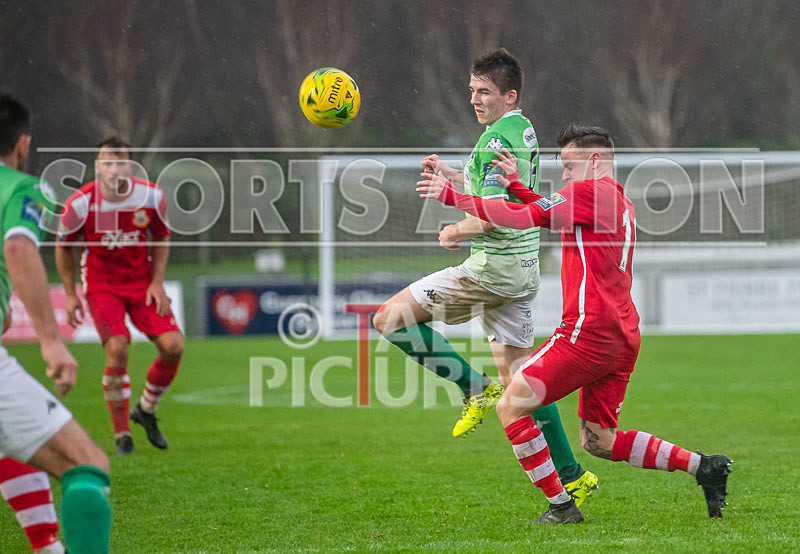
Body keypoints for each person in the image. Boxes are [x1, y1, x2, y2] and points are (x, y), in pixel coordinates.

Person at [417, 123, 732, 523]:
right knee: (600, 441)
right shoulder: (616, 199)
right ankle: (705, 467)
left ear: (595, 160)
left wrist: (453, 196)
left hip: (588, 332)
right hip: (623, 334)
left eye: (569, 165)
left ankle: (561, 506)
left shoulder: (588, 192)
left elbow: (519, 218)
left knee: (510, 405)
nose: (564, 174)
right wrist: (515, 185)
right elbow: (546, 211)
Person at [373, 48, 597, 503]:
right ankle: (572, 474)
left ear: (508, 94)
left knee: (388, 319)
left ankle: (472, 388)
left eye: (485, 92)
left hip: (490, 270)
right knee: (526, 382)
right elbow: (498, 188)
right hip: (523, 270)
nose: (475, 100)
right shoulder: (520, 128)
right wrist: (454, 175)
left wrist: (457, 223)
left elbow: (498, 215)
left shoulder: (496, 140)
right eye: (472, 90)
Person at [0, 93, 111, 552]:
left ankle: (48, 546)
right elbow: (19, 248)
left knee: (14, 439)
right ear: (22, 144)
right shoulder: (22, 188)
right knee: (87, 464)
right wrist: (50, 341)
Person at [55, 136, 183, 455]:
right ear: (98, 167)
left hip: (142, 284)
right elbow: (63, 247)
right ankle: (122, 433)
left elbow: (162, 237)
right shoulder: (80, 204)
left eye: (120, 162)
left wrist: (157, 282)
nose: (114, 169)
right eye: (107, 163)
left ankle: (147, 410)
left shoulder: (151, 197)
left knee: (174, 347)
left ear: (131, 165)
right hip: (103, 286)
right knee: (118, 349)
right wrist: (71, 294)